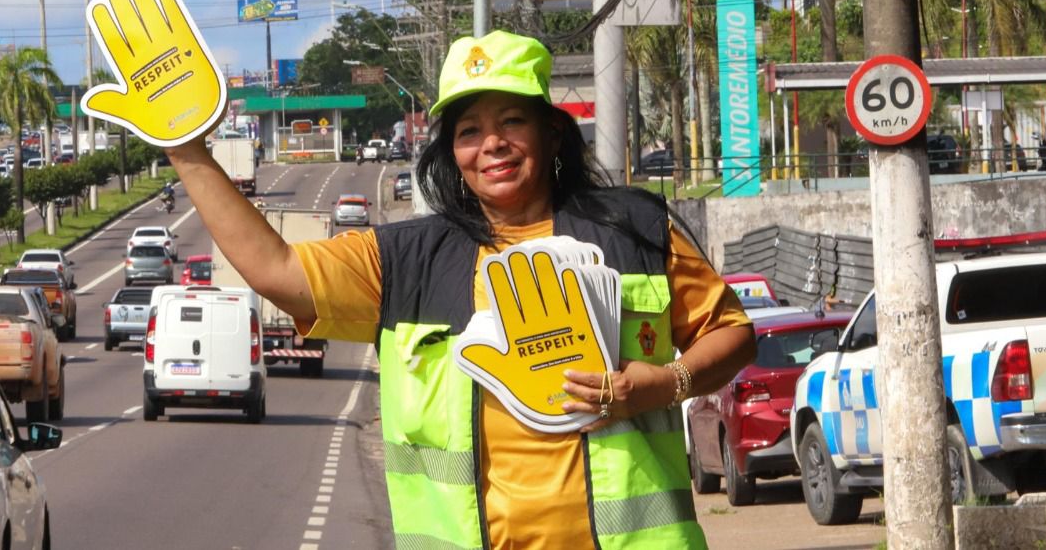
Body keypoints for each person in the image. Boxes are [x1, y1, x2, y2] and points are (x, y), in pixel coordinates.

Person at [167, 31, 755, 549]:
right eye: (469, 131)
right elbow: (275, 271)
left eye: (511, 121)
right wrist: (185, 149)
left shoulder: (635, 231)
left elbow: (732, 334)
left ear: (552, 132)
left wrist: (664, 385)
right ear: (451, 152)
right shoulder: (404, 262)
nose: (491, 144)